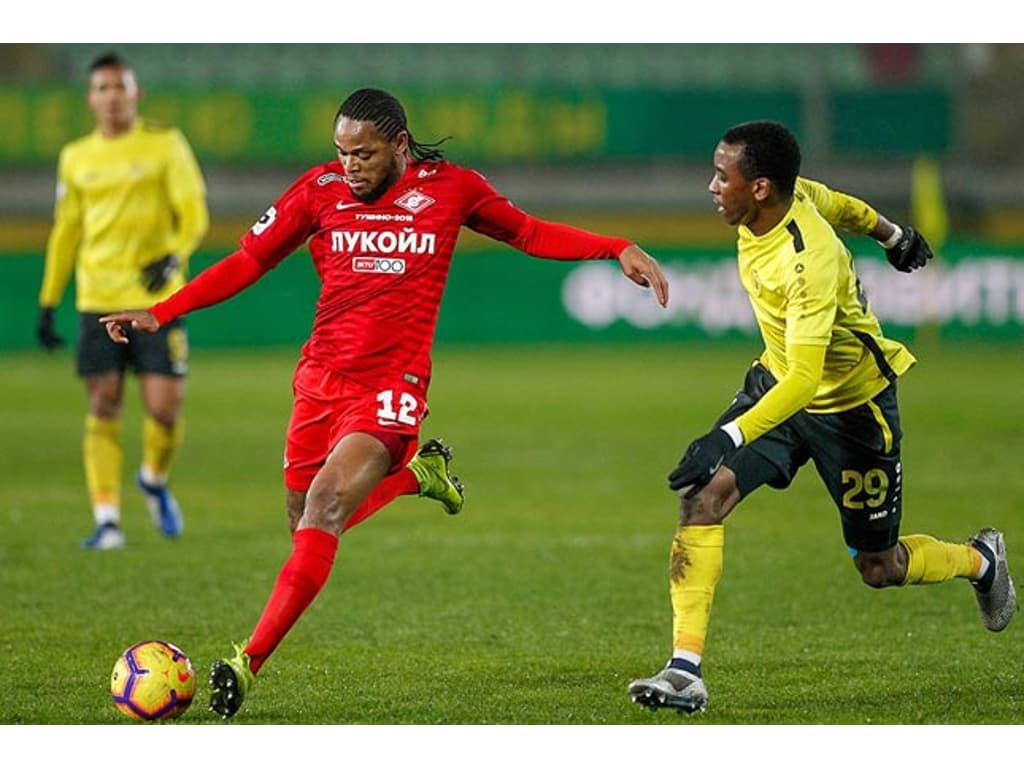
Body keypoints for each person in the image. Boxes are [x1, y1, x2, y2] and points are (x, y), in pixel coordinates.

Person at [100, 86, 669, 719]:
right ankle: (418, 478)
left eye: (364, 153)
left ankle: (246, 661)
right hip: (320, 381)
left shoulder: (452, 189)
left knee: (325, 503)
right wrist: (162, 312)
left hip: (392, 386)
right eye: (342, 152)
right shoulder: (317, 191)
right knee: (303, 524)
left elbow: (530, 232)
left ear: (398, 145)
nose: (351, 166)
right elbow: (247, 261)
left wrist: (614, 246)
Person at [628, 120, 1017, 715]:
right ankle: (685, 669)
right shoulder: (792, 194)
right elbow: (842, 203)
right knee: (701, 500)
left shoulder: (808, 262)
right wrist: (894, 234)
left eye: (721, 175)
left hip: (849, 409)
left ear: (759, 188)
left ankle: (980, 559)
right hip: (777, 386)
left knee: (878, 567)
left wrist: (725, 435)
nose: (711, 186)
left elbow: (807, 381)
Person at [37, 51, 209, 550]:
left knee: (164, 408)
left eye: (121, 87)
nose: (112, 97)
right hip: (98, 298)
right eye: (103, 89)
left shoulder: (165, 146)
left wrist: (173, 256)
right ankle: (108, 519)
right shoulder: (76, 157)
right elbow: (66, 232)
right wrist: (49, 301)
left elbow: (194, 213)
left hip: (157, 301)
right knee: (103, 402)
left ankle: (153, 479)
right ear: (91, 99)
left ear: (136, 94)